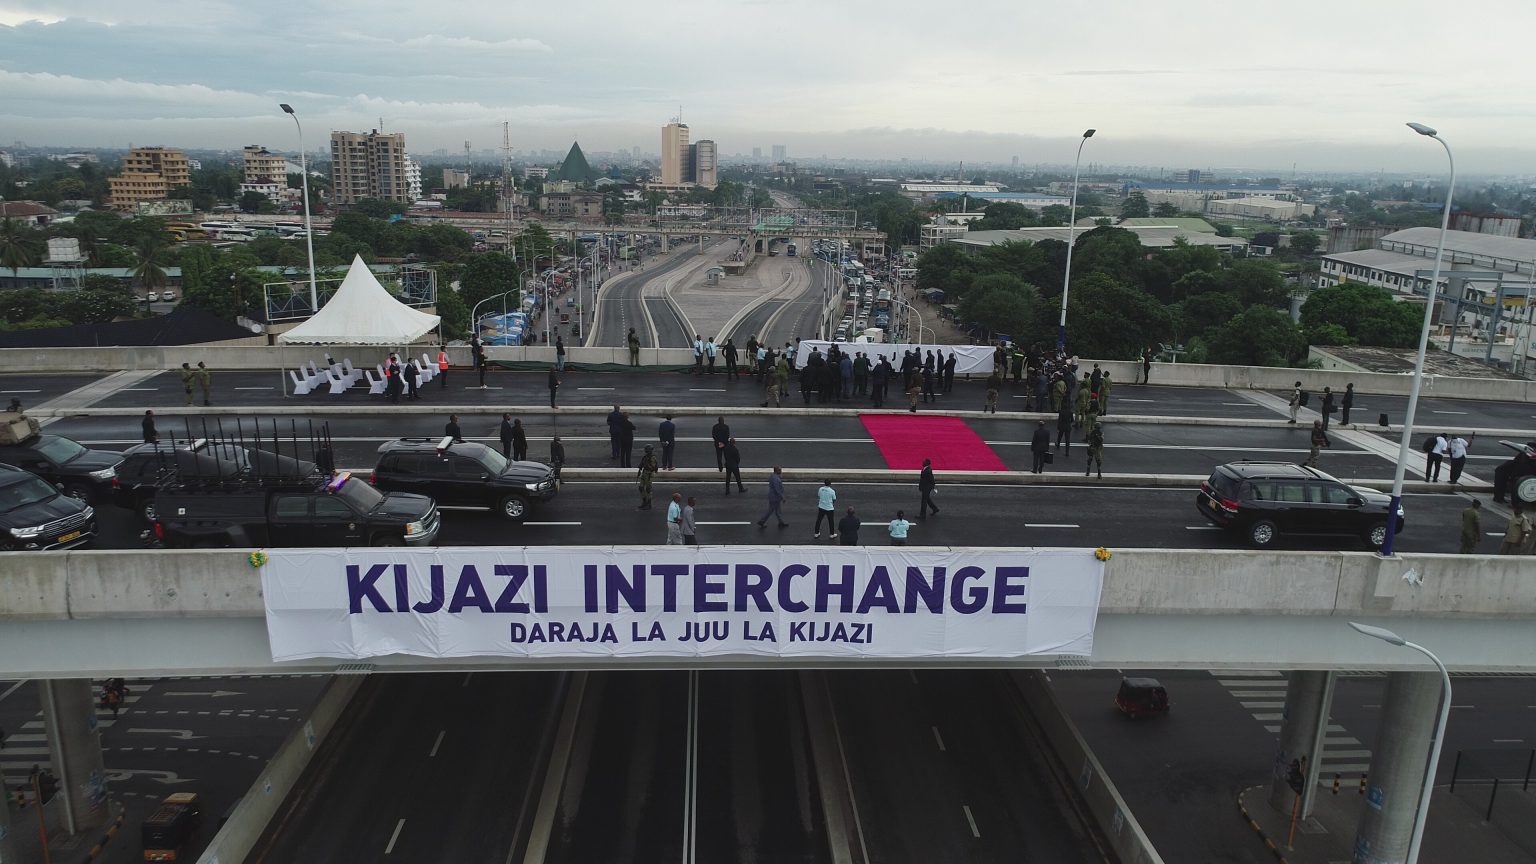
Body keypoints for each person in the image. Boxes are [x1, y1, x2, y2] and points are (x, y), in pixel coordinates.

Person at [637, 445, 659, 509]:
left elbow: (653, 467)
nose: (646, 450)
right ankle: (644, 501)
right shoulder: (645, 457)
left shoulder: (652, 457)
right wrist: (639, 470)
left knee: (648, 489)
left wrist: (648, 466)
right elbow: (641, 464)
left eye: (647, 449)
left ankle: (649, 504)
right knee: (641, 487)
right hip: (644, 473)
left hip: (649, 474)